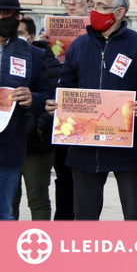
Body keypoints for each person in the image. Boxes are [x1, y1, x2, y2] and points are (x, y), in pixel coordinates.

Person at [46, 0, 137, 220]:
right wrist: (57, 102)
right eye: (92, 5)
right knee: (84, 216)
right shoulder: (79, 46)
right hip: (85, 145)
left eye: (101, 6)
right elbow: (66, 84)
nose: (94, 10)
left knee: (133, 215)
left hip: (129, 146)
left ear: (119, 13)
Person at [42, 0, 94, 221]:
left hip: (90, 109)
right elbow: (48, 74)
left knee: (86, 177)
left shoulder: (98, 30)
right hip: (62, 111)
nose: (71, 3)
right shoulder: (53, 29)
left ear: (89, 2)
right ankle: (63, 222)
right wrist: (44, 48)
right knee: (63, 174)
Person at [0, 0, 51, 220]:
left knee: (5, 213)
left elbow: (45, 94)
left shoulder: (31, 54)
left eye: (8, 15)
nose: (3, 19)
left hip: (8, 147)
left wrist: (33, 99)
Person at [12, 17, 61, 220]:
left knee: (38, 198)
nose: (15, 38)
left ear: (31, 37)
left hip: (36, 144)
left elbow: (54, 98)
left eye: (21, 34)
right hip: (8, 143)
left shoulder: (44, 59)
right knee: (8, 199)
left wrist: (39, 127)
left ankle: (40, 246)